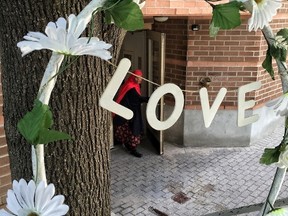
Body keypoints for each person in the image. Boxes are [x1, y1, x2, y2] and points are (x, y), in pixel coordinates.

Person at [113, 69, 149, 158]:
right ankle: (132, 148)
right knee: (132, 129)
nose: (141, 79)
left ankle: (130, 146)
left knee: (132, 128)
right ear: (134, 78)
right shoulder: (130, 86)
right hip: (129, 111)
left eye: (141, 77)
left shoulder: (136, 85)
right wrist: (148, 99)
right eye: (139, 77)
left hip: (133, 111)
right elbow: (136, 99)